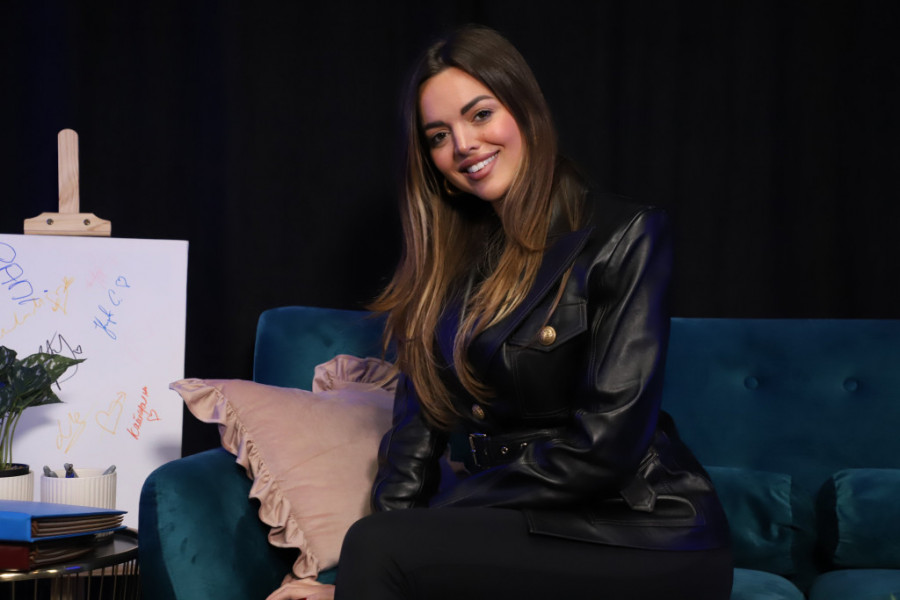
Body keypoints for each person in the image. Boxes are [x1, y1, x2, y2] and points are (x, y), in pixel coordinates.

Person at [333, 24, 733, 600]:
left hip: (641, 528)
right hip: (522, 523)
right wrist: (372, 558)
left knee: (379, 548)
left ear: (524, 110)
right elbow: (415, 440)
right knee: (375, 545)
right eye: (439, 135)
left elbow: (606, 445)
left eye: (480, 114)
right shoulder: (443, 263)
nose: (463, 145)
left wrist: (422, 529)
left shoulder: (626, 234)